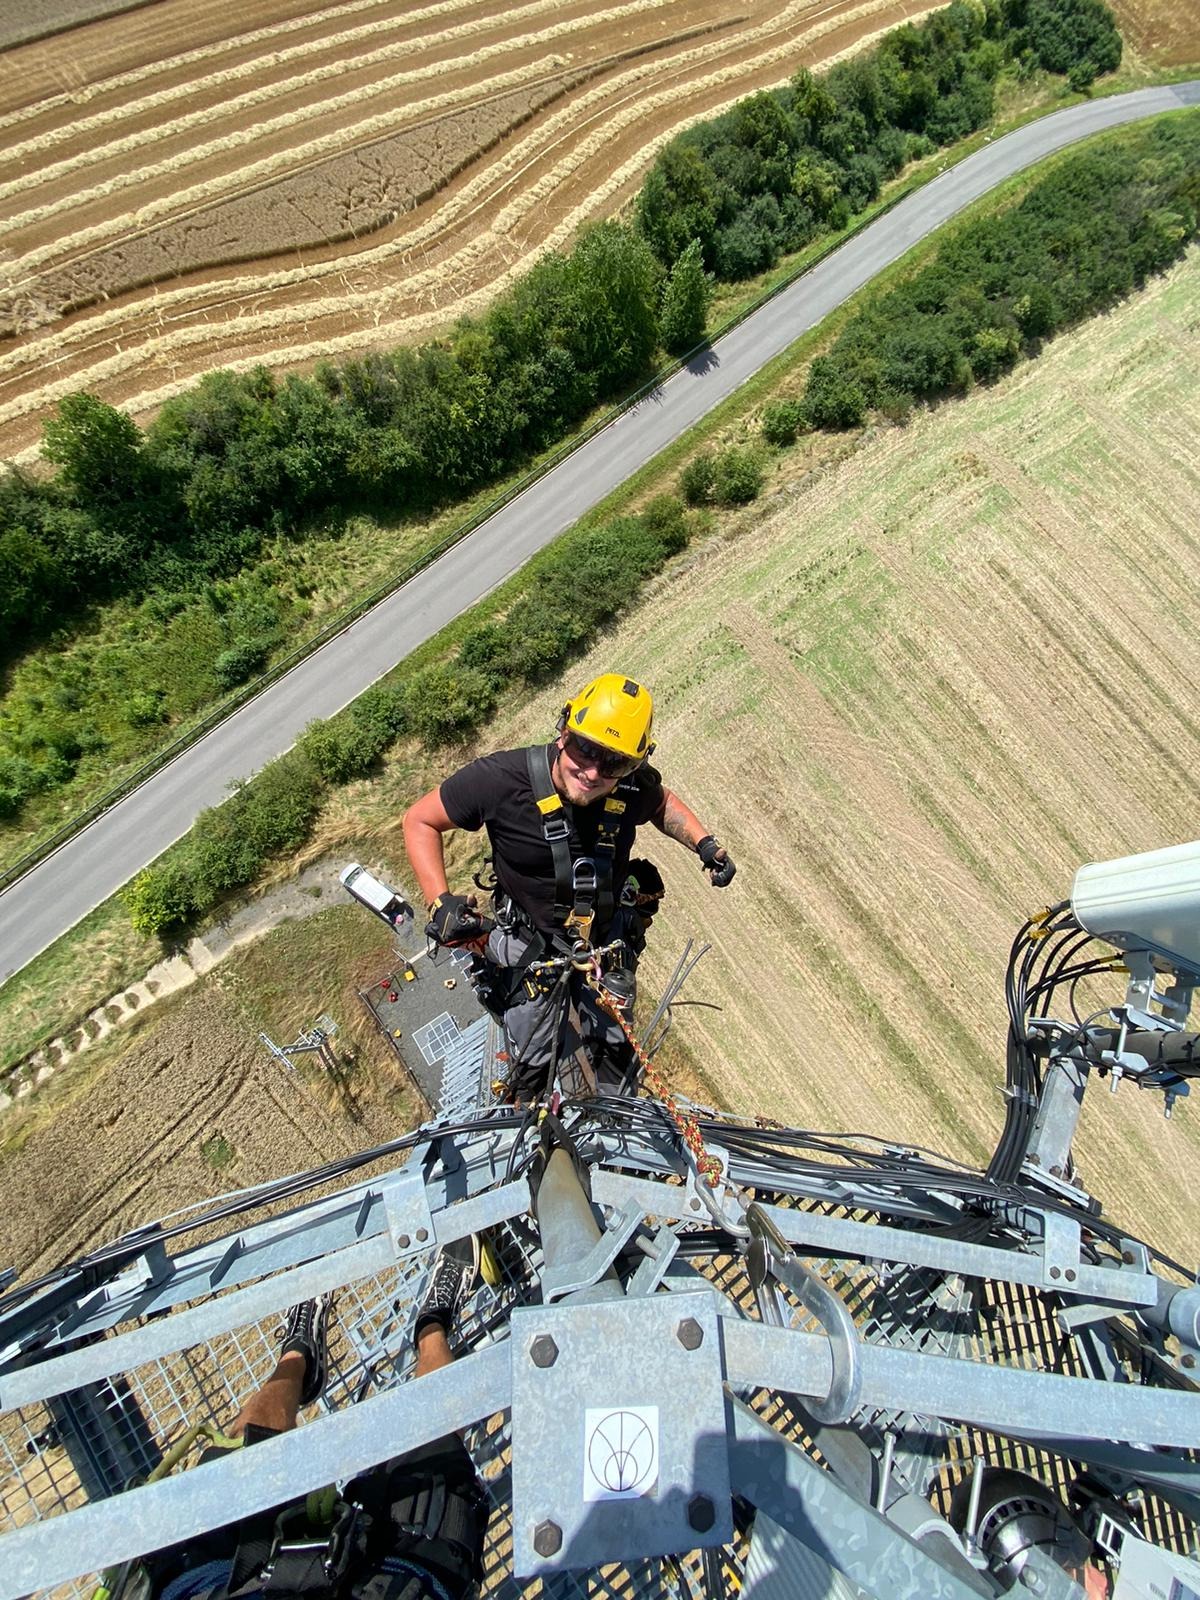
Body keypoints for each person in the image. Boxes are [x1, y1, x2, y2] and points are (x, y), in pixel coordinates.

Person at [403, 673, 735, 1100]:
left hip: (603, 943)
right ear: (564, 730)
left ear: (633, 765)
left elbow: (662, 802)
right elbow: (420, 820)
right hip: (530, 942)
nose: (594, 771)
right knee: (532, 1054)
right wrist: (439, 901)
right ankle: (534, 1111)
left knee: (617, 1048)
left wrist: (704, 844)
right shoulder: (500, 781)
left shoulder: (630, 785)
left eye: (613, 762)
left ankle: (615, 1115)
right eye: (586, 749)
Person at [120, 1241, 487, 1600]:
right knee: (435, 1469)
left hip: (218, 1583)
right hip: (393, 1584)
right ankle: (433, 1325)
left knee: (250, 1444)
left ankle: (299, 1354)